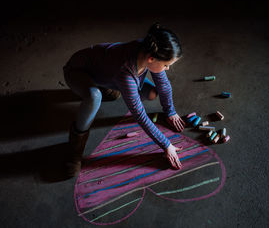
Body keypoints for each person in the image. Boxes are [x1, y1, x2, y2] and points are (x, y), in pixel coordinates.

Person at [63, 23, 186, 177]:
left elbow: (164, 84)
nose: (167, 68)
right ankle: (74, 151)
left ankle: (108, 86)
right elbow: (139, 115)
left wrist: (170, 111)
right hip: (77, 72)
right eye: (167, 65)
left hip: (105, 73)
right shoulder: (126, 74)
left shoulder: (149, 48)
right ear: (151, 59)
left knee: (152, 93)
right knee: (94, 97)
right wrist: (166, 145)